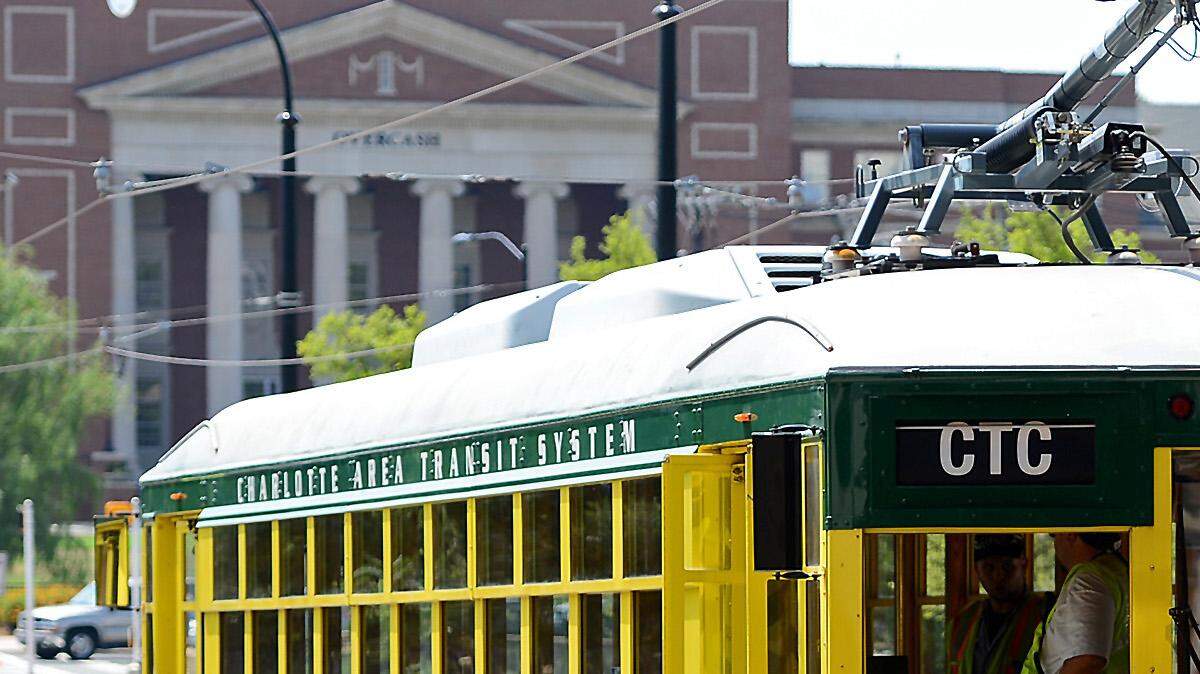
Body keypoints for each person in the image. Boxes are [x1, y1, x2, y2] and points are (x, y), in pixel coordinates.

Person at [1021, 533, 1128, 674]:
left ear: (1070, 534)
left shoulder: (1088, 581)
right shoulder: (1117, 571)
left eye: (1055, 536)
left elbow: (1087, 661)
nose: (1055, 544)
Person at [948, 535, 1053, 674]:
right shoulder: (962, 622)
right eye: (989, 567)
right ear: (976, 570)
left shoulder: (1045, 614)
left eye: (1007, 566)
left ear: (1024, 563)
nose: (998, 575)